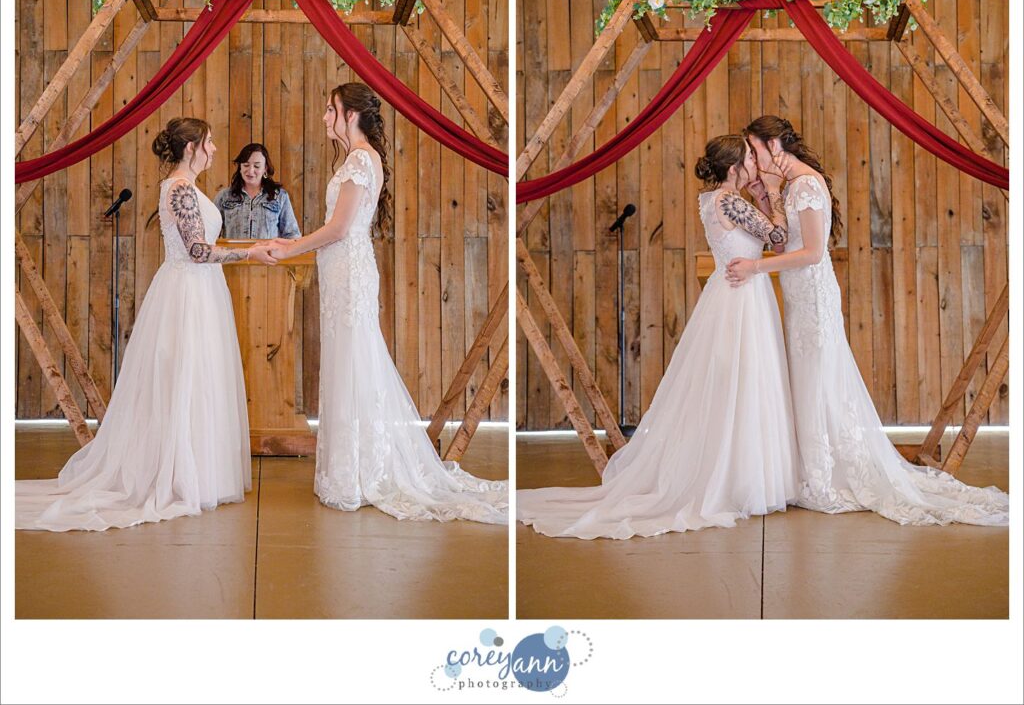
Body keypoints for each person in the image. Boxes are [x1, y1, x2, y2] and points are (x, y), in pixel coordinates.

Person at [727, 115, 1008, 526]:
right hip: (800, 298)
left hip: (813, 298)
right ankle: (814, 469)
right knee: (808, 382)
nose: (752, 159)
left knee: (818, 380)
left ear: (774, 145)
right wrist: (767, 199)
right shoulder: (790, 186)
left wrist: (754, 267)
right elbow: (787, 243)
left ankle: (824, 475)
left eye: (754, 149)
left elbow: (812, 254)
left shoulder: (805, 185)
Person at [517, 134, 799, 539]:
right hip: (742, 301)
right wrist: (772, 193)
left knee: (737, 386)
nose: (756, 163)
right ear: (734, 168)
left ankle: (742, 474)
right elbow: (778, 238)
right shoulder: (732, 202)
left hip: (733, 296)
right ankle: (740, 479)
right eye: (750, 159)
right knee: (745, 383)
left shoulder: (714, 200)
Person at [15, 118, 277, 532]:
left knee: (197, 381)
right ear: (191, 148)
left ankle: (196, 470)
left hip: (200, 291)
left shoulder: (183, 187)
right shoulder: (181, 189)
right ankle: (178, 475)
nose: (213, 150)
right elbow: (197, 251)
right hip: (186, 295)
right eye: (208, 143)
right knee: (183, 380)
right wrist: (250, 254)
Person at [266, 83, 507, 524]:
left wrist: (290, 247)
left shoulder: (360, 160)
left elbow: (339, 228)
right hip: (342, 270)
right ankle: (351, 468)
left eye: (330, 110)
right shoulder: (357, 158)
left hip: (349, 270)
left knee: (354, 361)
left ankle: (360, 473)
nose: (324, 118)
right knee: (346, 361)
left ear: (351, 115)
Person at [214, 143, 301, 240]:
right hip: (233, 251)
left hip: (270, 251)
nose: (250, 171)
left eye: (256, 166)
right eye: (246, 165)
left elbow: (292, 235)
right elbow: (210, 232)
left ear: (265, 168)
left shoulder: (280, 196)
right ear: (240, 168)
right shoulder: (224, 196)